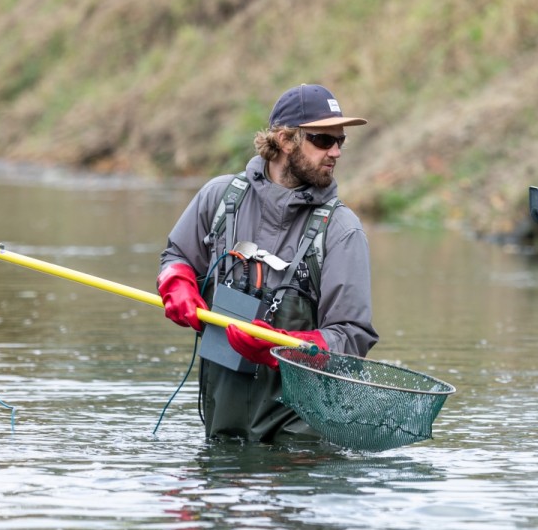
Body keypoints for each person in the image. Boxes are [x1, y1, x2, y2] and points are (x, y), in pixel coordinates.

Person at [158, 83, 379, 442]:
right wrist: (176, 285)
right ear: (285, 139)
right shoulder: (218, 197)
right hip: (220, 427)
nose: (336, 152)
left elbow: (351, 338)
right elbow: (177, 256)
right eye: (323, 140)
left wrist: (284, 348)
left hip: (300, 447)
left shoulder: (342, 230)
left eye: (340, 141)